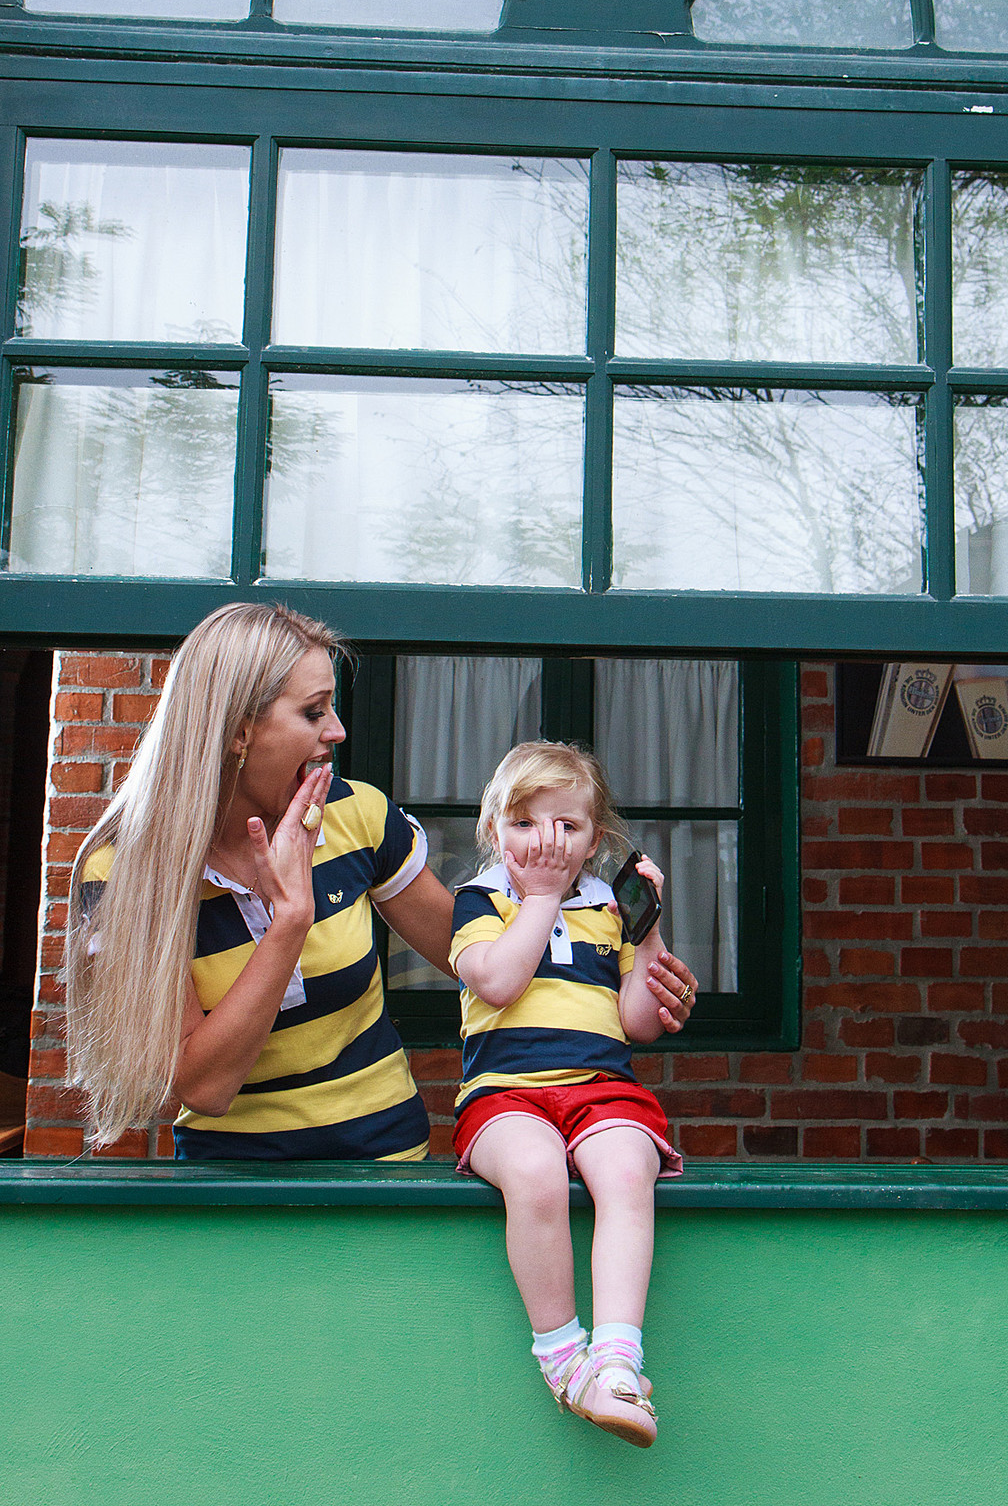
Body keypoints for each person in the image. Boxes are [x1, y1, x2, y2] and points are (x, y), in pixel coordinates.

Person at [65, 601, 457, 1157]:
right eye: (314, 712)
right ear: (238, 732)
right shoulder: (125, 872)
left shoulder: (356, 815)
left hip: (388, 1169)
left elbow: (474, 957)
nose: (338, 731)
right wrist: (290, 922)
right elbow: (204, 1088)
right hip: (234, 1193)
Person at [449, 740, 698, 1450]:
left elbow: (637, 1023)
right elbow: (495, 982)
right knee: (533, 1175)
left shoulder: (608, 911)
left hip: (600, 1087)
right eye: (525, 823)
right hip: (505, 1094)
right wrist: (540, 899)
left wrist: (646, 935)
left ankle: (618, 1362)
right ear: (495, 829)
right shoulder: (481, 899)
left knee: (627, 1169)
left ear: (596, 839)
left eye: (567, 826)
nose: (546, 841)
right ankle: (563, 1359)